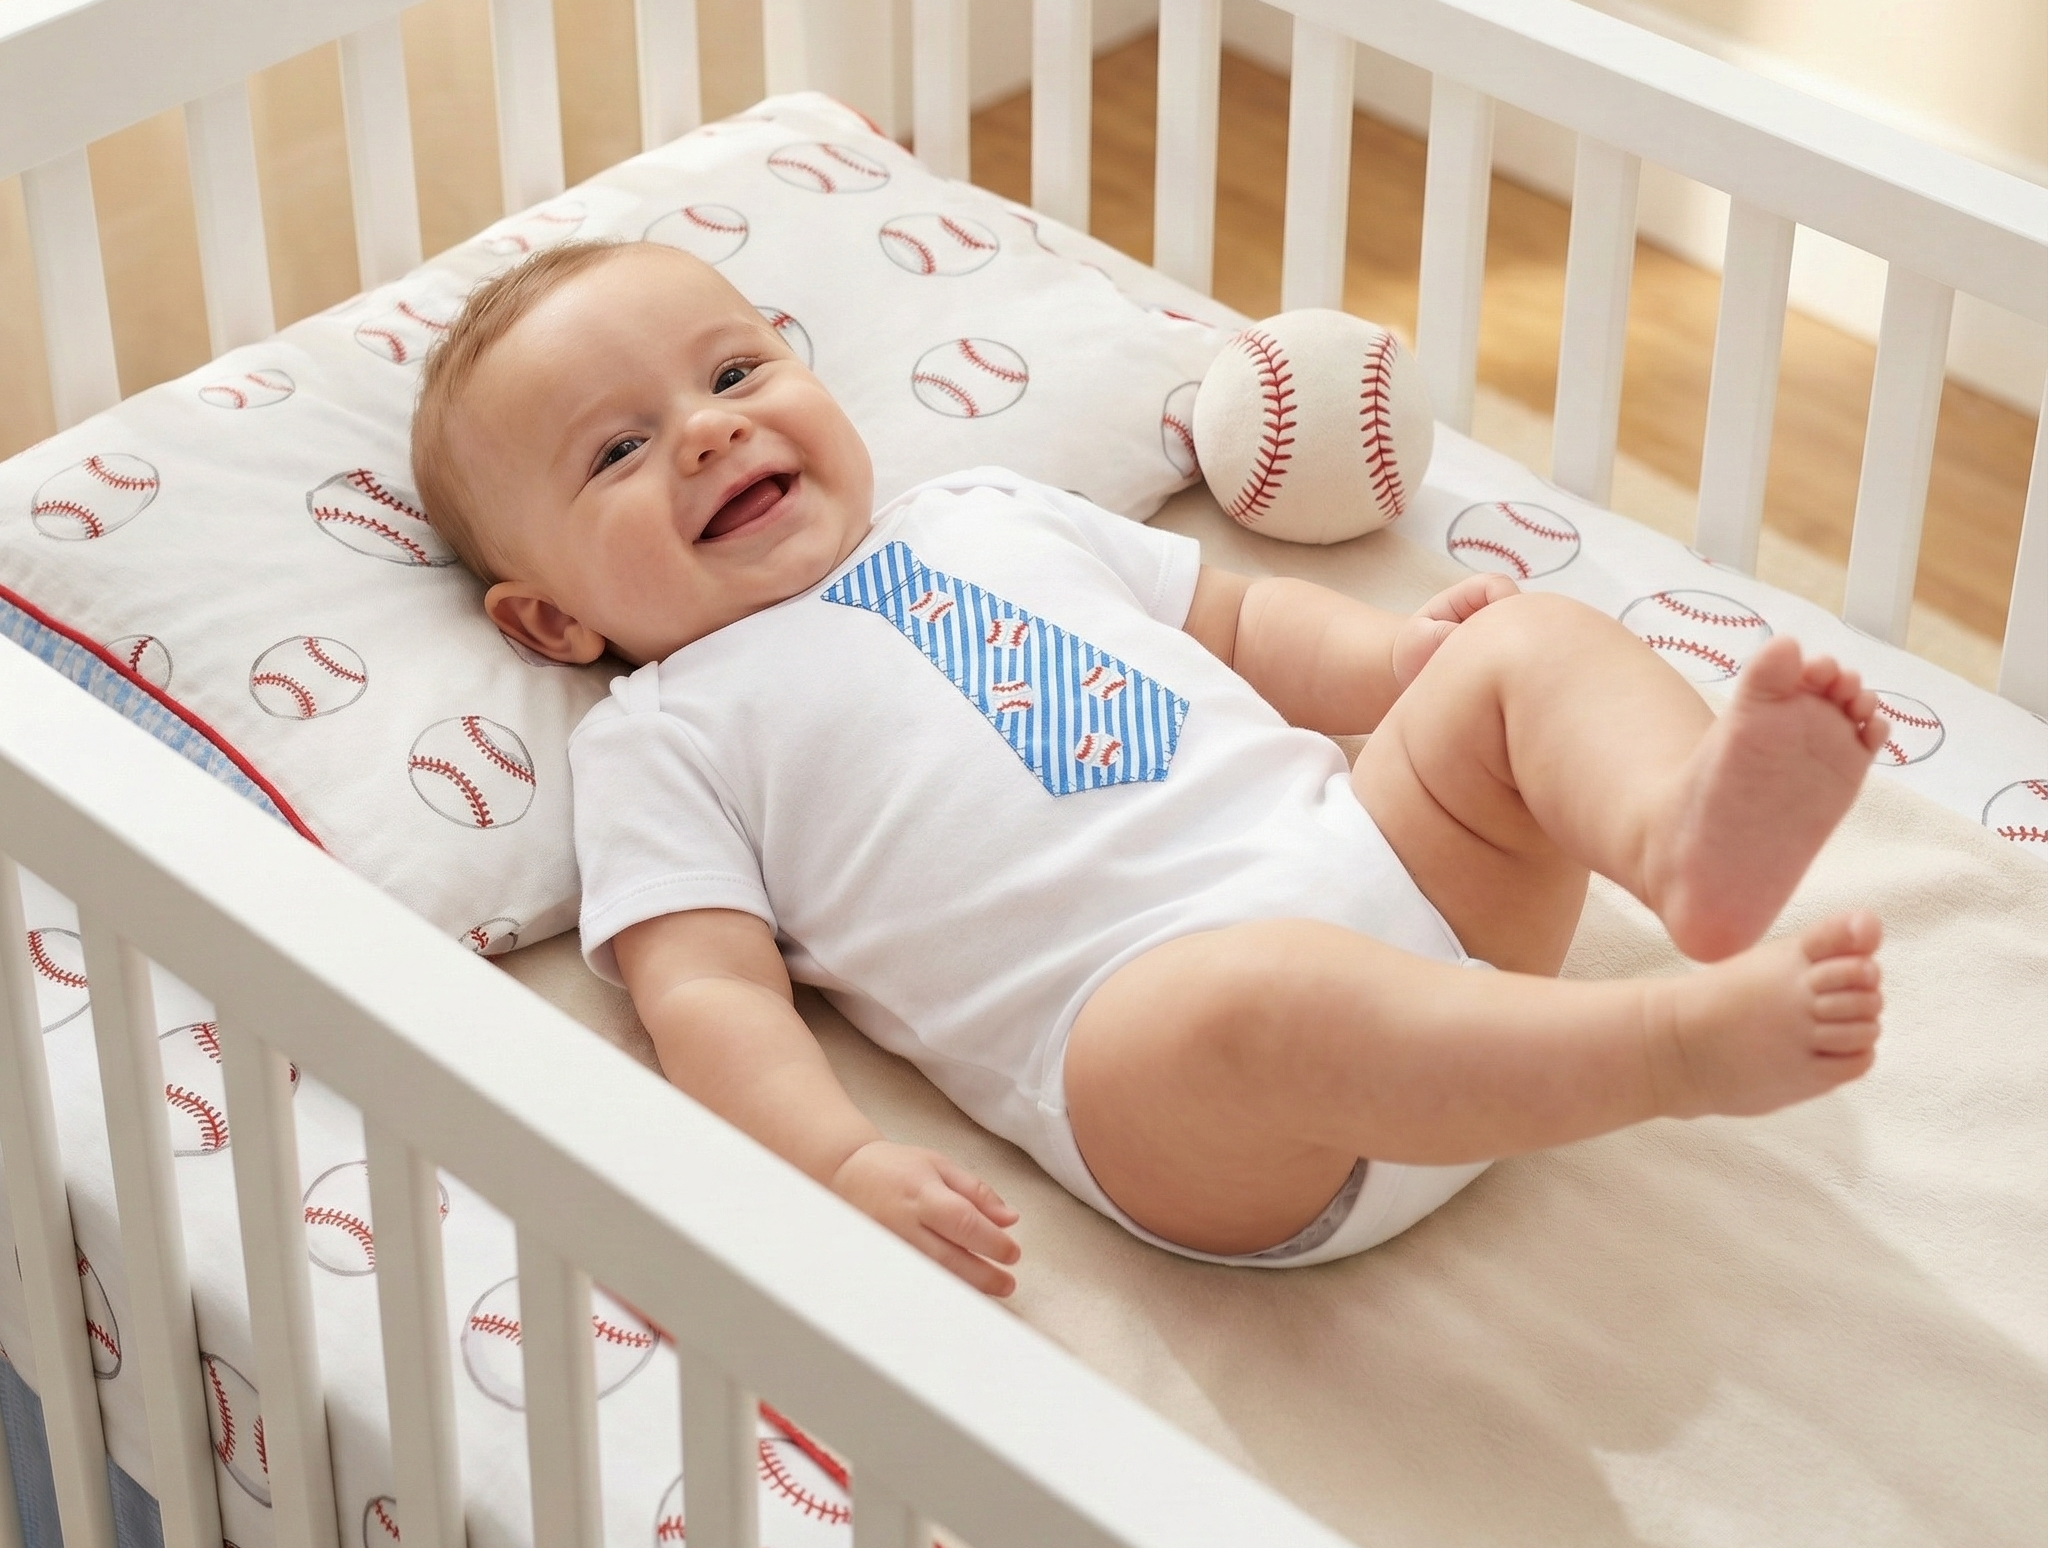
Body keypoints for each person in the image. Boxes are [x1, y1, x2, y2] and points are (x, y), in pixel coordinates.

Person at [411, 240, 1888, 1295]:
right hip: (1178, 1078)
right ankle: (1665, 1052)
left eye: (734, 370)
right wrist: (837, 1164)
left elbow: (1235, 618)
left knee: (1536, 644)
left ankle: (1677, 833)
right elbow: (711, 998)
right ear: (550, 617)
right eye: (617, 452)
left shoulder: (986, 509)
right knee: (1264, 995)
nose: (709, 431)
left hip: (1390, 875)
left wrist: (1394, 670)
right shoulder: (661, 734)